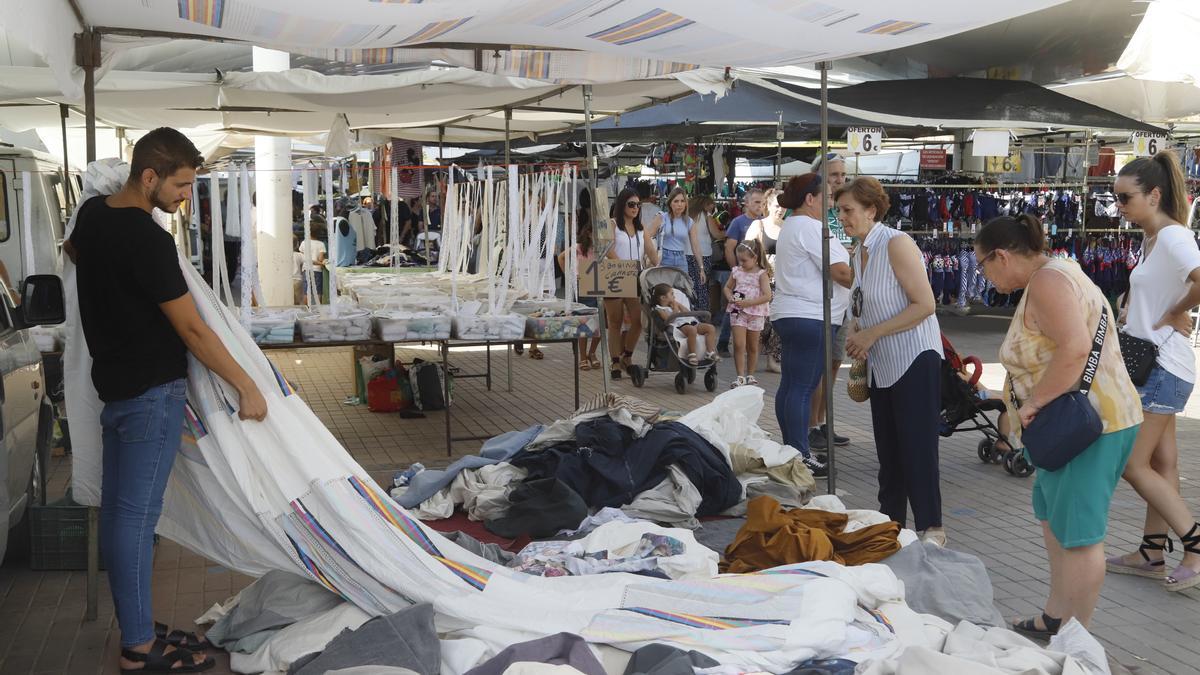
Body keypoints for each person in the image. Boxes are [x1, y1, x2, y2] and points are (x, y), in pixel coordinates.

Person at [66, 127, 268, 673]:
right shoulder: (148, 240)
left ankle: (137, 625)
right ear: (150, 177)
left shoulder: (92, 217)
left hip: (115, 389)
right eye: (180, 186)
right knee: (134, 518)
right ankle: (137, 646)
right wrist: (247, 385)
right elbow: (194, 331)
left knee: (120, 515)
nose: (185, 197)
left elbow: (78, 253)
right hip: (149, 393)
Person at [975, 213, 1141, 638]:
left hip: (1088, 426)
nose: (983, 275)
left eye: (982, 265)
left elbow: (1074, 348)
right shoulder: (1057, 272)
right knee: (1056, 521)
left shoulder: (1048, 282)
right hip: (1078, 424)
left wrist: (1034, 402)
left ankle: (1076, 639)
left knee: (1080, 537)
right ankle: (1056, 616)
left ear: (1001, 256)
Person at [1105, 151, 1200, 591]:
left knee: (1132, 463)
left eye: (1125, 197)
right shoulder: (1152, 238)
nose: (1118, 205)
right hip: (1157, 363)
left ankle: (1195, 545)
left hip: (1164, 365)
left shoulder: (1174, 237)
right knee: (1161, 463)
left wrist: (1174, 312)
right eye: (1116, 197)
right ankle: (1151, 551)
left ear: (1154, 194)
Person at [840, 177, 945, 545]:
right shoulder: (858, 251)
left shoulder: (896, 244)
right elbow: (863, 304)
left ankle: (932, 528)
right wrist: (859, 331)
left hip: (914, 357)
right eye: (839, 210)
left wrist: (873, 334)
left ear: (871, 210)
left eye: (848, 210)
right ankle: (890, 527)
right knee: (889, 452)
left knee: (917, 448)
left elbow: (926, 305)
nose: (842, 217)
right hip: (883, 363)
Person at [772, 175, 852, 478]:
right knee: (802, 389)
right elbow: (841, 272)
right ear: (810, 198)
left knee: (792, 386)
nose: (831, 204)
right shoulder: (809, 227)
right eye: (827, 197)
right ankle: (799, 454)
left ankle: (791, 451)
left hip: (793, 313)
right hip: (811, 315)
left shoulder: (792, 225)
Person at [809, 153, 851, 450]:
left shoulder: (847, 208)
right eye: (834, 174)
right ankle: (811, 425)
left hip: (844, 298)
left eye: (842, 175)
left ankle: (823, 423)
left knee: (835, 363)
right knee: (819, 366)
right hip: (821, 298)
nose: (839, 180)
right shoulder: (814, 209)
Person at [606, 187, 660, 379]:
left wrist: (660, 267)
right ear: (622, 205)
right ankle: (614, 361)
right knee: (615, 321)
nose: (635, 208)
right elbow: (607, 248)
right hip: (614, 275)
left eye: (638, 205)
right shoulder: (612, 224)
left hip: (635, 275)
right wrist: (622, 266)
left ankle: (626, 356)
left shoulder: (640, 228)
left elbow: (651, 251)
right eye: (631, 204)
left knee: (638, 321)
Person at [718, 188, 766, 356]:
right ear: (747, 203)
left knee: (758, 309)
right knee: (734, 307)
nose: (760, 206)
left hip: (759, 274)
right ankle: (723, 342)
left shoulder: (765, 222)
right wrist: (736, 270)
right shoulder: (738, 222)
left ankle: (759, 345)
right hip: (742, 275)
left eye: (763, 202)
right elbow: (729, 247)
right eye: (757, 202)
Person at [745, 188, 784, 373]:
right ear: (769, 205)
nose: (781, 209)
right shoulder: (758, 226)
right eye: (777, 205)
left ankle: (773, 359)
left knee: (779, 321)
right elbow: (746, 251)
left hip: (782, 281)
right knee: (761, 322)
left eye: (784, 206)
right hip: (761, 280)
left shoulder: (788, 227)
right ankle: (752, 357)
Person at [724, 240, 772, 387]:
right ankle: (740, 376)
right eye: (740, 260)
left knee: (752, 346)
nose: (741, 263)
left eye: (744, 260)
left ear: (755, 258)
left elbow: (767, 295)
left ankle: (750, 374)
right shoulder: (737, 271)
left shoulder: (761, 274)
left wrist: (748, 303)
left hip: (756, 312)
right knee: (739, 344)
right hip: (738, 310)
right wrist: (730, 298)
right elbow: (727, 287)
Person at [558, 220, 602, 371]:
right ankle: (583, 356)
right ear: (589, 233)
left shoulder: (602, 249)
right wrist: (569, 276)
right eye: (595, 233)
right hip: (582, 286)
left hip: (598, 286)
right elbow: (561, 257)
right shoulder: (578, 248)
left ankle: (592, 353)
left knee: (601, 323)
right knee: (584, 323)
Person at [656, 187, 707, 295]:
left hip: (681, 258)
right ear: (670, 203)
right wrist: (651, 257)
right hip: (664, 257)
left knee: (682, 293)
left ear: (686, 203)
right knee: (665, 293)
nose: (680, 204)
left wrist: (701, 268)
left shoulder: (689, 222)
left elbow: (696, 246)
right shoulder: (662, 217)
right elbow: (646, 236)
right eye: (676, 201)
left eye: (682, 201)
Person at [652, 283, 717, 365]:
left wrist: (678, 305)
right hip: (679, 326)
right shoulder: (660, 309)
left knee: (710, 328)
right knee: (692, 330)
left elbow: (687, 312)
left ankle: (710, 352)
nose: (674, 296)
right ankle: (692, 354)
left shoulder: (676, 303)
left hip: (690, 322)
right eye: (672, 294)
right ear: (663, 297)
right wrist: (675, 308)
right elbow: (669, 320)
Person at [688, 195, 719, 313]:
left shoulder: (686, 215)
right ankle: (703, 314)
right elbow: (716, 234)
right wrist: (726, 233)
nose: (713, 208)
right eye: (711, 205)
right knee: (702, 286)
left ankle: (691, 312)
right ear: (705, 204)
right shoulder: (707, 216)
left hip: (687, 254)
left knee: (690, 285)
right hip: (703, 255)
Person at [297, 233, 327, 302]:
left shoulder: (304, 243)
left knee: (306, 292)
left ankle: (306, 310)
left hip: (306, 269)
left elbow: (301, 257)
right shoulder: (321, 244)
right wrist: (323, 261)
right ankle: (318, 310)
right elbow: (320, 258)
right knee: (318, 292)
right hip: (317, 270)